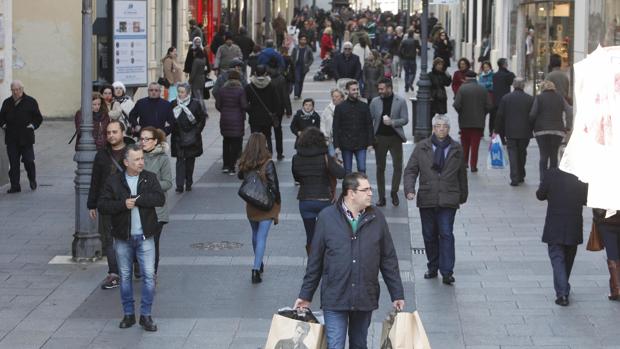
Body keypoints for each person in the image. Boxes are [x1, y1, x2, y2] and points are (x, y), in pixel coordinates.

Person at [294, 172, 405, 349]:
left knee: (359, 344)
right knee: (335, 344)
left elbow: (388, 258)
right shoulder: (326, 217)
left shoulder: (377, 218)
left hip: (364, 296)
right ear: (351, 193)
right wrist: (305, 295)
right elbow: (315, 261)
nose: (370, 193)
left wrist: (397, 292)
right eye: (365, 189)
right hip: (335, 296)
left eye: (370, 189)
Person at [97, 144, 165, 332]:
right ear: (126, 162)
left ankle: (146, 315)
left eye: (142, 158)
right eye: (137, 159)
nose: (141, 162)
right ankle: (128, 314)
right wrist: (122, 204)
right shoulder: (114, 181)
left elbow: (160, 199)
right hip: (123, 238)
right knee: (125, 277)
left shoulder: (149, 178)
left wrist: (138, 200)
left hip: (145, 237)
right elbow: (103, 205)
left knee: (149, 277)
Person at [404, 115, 468, 285]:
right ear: (433, 128)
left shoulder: (456, 148)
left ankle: (447, 271)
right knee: (429, 234)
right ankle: (433, 266)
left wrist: (463, 195)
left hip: (448, 197)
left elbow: (462, 173)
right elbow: (411, 170)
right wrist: (410, 189)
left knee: (446, 233)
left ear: (449, 129)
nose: (441, 129)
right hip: (427, 197)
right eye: (438, 126)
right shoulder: (422, 147)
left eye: (444, 126)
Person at [88, 121, 133, 290]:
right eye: (108, 133)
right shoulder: (101, 155)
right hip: (106, 202)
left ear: (123, 132)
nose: (111, 135)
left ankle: (132, 265)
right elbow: (95, 180)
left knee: (129, 235)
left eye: (115, 132)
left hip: (128, 202)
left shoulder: (132, 151)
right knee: (108, 239)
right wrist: (92, 204)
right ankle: (114, 273)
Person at [536, 168, 588, 306]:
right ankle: (563, 288)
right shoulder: (581, 175)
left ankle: (562, 292)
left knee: (558, 259)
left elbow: (540, 195)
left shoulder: (551, 174)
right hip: (573, 225)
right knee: (568, 258)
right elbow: (586, 199)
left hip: (554, 225)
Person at [292, 127, 345, 255]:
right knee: (327, 233)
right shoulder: (325, 157)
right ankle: (326, 260)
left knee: (310, 235)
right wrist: (337, 163)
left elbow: (297, 177)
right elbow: (341, 174)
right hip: (324, 200)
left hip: (305, 201)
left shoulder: (296, 158)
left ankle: (312, 263)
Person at [238, 133, 281, 284]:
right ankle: (256, 269)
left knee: (255, 233)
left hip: (251, 204)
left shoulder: (246, 161)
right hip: (266, 205)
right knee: (262, 236)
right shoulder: (268, 162)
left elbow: (240, 176)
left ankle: (258, 261)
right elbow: (274, 185)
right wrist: (278, 203)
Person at [138, 127, 172, 277]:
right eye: (142, 139)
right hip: (138, 207)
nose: (143, 142)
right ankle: (139, 267)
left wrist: (151, 185)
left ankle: (152, 273)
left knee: (152, 243)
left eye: (147, 139)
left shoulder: (162, 158)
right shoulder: (136, 156)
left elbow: (168, 183)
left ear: (155, 141)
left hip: (157, 210)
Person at [370, 78, 408, 207]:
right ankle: (381, 197)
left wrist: (393, 122)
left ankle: (394, 192)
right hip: (379, 138)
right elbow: (369, 120)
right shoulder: (375, 102)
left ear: (389, 88)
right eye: (379, 89)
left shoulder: (400, 101)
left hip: (395, 137)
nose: (380, 91)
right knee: (380, 168)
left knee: (398, 167)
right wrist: (369, 139)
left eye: (382, 89)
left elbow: (405, 119)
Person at [0, 81, 43, 193]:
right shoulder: (7, 102)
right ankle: (15, 186)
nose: (15, 92)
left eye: (17, 89)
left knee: (28, 161)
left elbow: (38, 118)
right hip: (11, 138)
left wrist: (33, 125)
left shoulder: (31, 101)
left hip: (26, 137)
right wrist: (3, 124)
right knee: (14, 163)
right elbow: (1, 117)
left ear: (22, 89)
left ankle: (32, 178)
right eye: (13, 90)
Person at [529, 80, 572, 183]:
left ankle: (543, 181)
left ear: (543, 88)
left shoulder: (539, 98)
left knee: (543, 156)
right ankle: (553, 181)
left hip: (541, 131)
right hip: (557, 130)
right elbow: (569, 111)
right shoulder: (560, 98)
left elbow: (532, 114)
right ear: (554, 87)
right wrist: (568, 126)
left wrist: (531, 126)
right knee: (553, 155)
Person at [495, 78, 533, 186]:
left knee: (512, 154)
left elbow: (500, 115)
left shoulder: (506, 98)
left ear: (513, 85)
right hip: (525, 132)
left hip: (510, 131)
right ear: (523, 86)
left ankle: (514, 178)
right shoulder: (530, 99)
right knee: (522, 153)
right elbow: (533, 115)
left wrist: (496, 130)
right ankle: (521, 175)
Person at [170, 82, 207, 193]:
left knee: (190, 161)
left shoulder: (195, 104)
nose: (180, 94)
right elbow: (170, 119)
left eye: (182, 92)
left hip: (192, 137)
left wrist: (196, 131)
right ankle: (180, 185)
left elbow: (202, 119)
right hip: (178, 136)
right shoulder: (173, 104)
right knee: (180, 161)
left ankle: (189, 181)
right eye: (179, 92)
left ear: (188, 93)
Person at [453, 70, 492, 172]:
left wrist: (461, 112)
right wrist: (483, 114)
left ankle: (465, 162)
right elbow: (489, 106)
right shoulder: (482, 89)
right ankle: (473, 165)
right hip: (478, 123)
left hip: (464, 122)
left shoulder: (462, 89)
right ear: (476, 78)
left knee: (465, 144)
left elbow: (456, 105)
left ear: (466, 78)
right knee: (475, 145)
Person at [332, 80, 374, 174]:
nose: (356, 91)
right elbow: (336, 127)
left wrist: (370, 143)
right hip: (346, 143)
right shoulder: (340, 107)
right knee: (347, 170)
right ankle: (348, 188)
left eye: (357, 89)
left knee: (362, 168)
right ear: (347, 91)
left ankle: (361, 188)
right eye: (353, 89)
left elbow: (369, 125)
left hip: (361, 143)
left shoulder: (364, 106)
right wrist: (336, 145)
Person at [245, 65, 282, 156]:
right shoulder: (271, 86)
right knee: (267, 136)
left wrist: (251, 111)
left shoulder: (249, 87)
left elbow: (245, 103)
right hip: (267, 117)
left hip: (254, 117)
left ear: (255, 73)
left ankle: (255, 155)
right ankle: (268, 154)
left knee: (254, 137)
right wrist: (274, 113)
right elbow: (276, 102)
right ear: (265, 73)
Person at [216, 70, 248, 174]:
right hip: (237, 119)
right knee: (235, 143)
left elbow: (218, 105)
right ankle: (232, 166)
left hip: (225, 119)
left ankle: (225, 165)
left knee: (226, 142)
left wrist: (224, 111)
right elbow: (244, 105)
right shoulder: (240, 90)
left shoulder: (222, 90)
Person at [268, 59, 292, 160]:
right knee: (278, 131)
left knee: (267, 132)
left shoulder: (266, 79)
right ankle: (279, 152)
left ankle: (269, 152)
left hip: (267, 109)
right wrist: (288, 110)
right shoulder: (281, 78)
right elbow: (285, 95)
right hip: (278, 108)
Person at [594, 209, 620, 301]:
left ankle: (617, 289)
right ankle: (615, 289)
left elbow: (597, 207)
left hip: (606, 222)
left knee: (612, 254)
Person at [320, 88, 345, 157]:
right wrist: (325, 135)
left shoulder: (345, 108)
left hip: (343, 140)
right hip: (330, 139)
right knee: (332, 157)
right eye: (333, 96)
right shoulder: (327, 109)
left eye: (336, 97)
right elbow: (322, 123)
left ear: (342, 98)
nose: (334, 98)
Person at [291, 34, 314, 99]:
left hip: (304, 67)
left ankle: (299, 94)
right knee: (297, 80)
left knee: (301, 81)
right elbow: (292, 57)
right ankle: (296, 94)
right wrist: (292, 64)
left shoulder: (308, 49)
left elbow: (311, 59)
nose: (303, 41)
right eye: (302, 39)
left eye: (304, 40)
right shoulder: (296, 48)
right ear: (299, 40)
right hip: (296, 66)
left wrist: (308, 65)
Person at [478, 61, 495, 136]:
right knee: (482, 116)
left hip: (491, 97)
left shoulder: (493, 75)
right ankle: (481, 132)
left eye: (487, 67)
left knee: (492, 116)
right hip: (482, 98)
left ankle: (491, 131)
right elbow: (479, 86)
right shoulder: (481, 76)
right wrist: (488, 84)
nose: (486, 69)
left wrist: (485, 85)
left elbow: (492, 87)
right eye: (484, 67)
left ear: (490, 67)